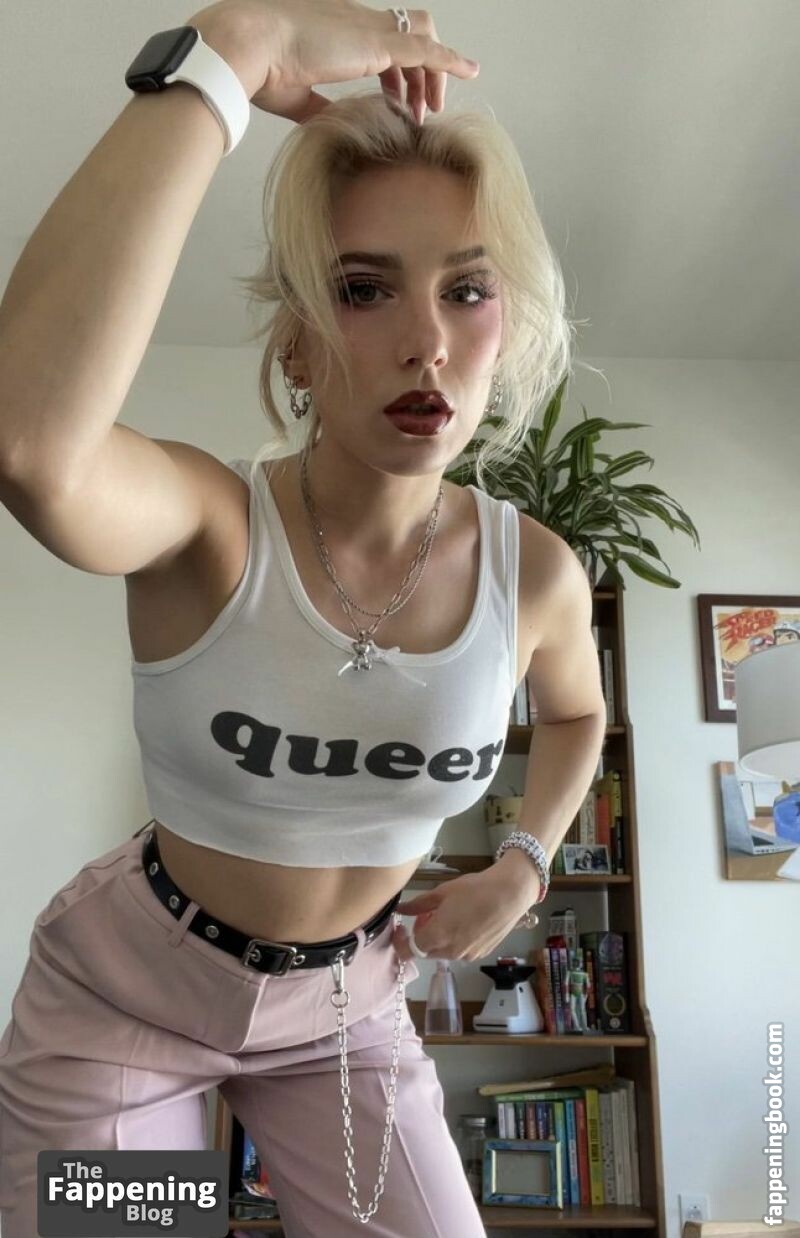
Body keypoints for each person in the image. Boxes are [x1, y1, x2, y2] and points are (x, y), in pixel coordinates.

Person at [0, 1, 608, 1233]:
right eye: (364, 289)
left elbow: (577, 711)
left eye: (465, 288)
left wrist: (524, 861)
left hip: (345, 1012)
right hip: (125, 1000)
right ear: (297, 346)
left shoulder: (533, 573)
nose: (425, 342)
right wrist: (231, 53)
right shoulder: (209, 524)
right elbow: (32, 447)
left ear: (504, 325)